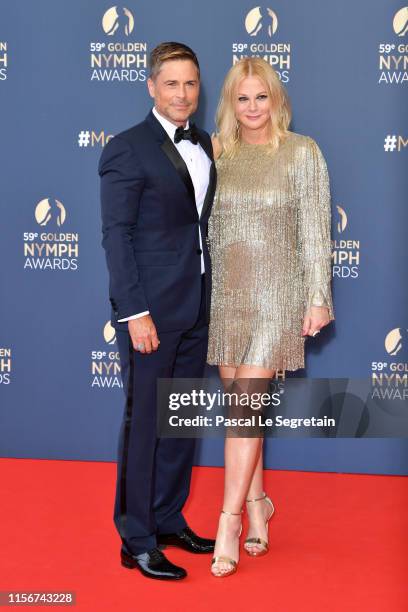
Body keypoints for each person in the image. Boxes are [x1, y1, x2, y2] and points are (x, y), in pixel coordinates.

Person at [206, 57, 334, 577]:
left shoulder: (302, 153)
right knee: (244, 414)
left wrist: (318, 296)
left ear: (276, 100)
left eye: (262, 97)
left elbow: (315, 230)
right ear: (230, 104)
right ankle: (259, 506)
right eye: (243, 98)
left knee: (243, 413)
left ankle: (229, 520)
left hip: (277, 296)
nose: (253, 107)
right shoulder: (218, 153)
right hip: (225, 296)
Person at [98, 41, 216, 581]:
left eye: (190, 84)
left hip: (196, 306)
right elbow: (116, 235)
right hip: (150, 312)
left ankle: (169, 518)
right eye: (171, 84)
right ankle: (136, 537)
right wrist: (134, 311)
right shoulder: (127, 148)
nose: (182, 94)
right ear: (151, 87)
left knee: (181, 423)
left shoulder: (206, 144)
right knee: (145, 422)